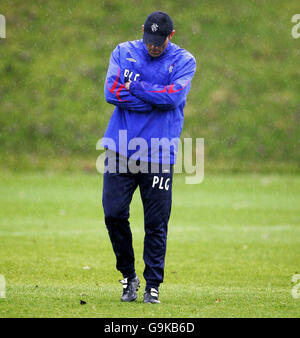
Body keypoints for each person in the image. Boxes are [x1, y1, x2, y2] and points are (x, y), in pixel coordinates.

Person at [102, 11, 196, 303]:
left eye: (159, 41)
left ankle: (152, 284)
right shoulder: (123, 52)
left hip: (158, 154)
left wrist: (136, 88)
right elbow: (111, 92)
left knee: (156, 222)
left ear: (171, 35)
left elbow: (173, 99)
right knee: (114, 214)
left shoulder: (184, 61)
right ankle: (128, 276)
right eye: (149, 39)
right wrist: (153, 100)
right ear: (142, 31)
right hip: (120, 149)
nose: (153, 46)